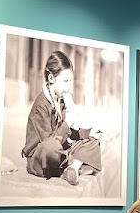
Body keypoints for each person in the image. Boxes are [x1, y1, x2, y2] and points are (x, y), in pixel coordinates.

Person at [21, 50, 103, 186]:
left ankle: (73, 168)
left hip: (59, 149)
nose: (68, 86)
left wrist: (87, 133)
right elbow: (50, 142)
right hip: (40, 157)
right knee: (52, 146)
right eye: (65, 81)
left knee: (93, 141)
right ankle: (74, 165)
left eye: (70, 81)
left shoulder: (61, 99)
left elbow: (68, 133)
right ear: (51, 78)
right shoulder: (41, 105)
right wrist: (68, 122)